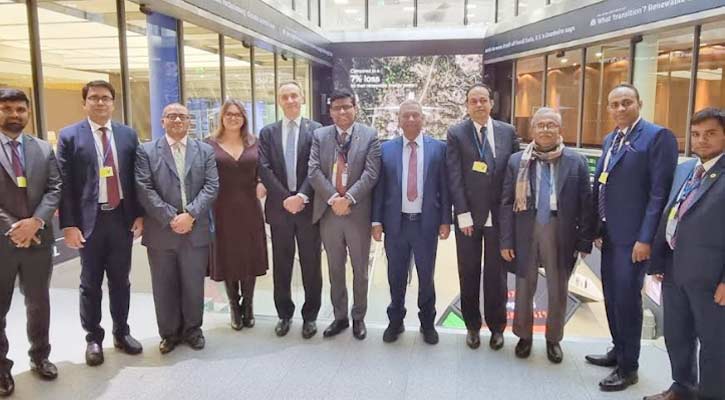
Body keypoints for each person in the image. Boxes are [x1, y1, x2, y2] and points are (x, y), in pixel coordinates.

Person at [587, 83, 678, 392]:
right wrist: (597, 227)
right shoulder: (611, 139)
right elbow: (602, 184)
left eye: (626, 102)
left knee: (627, 300)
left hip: (634, 239)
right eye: (614, 104)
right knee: (612, 297)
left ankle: (629, 368)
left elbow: (659, 194)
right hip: (609, 235)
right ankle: (618, 349)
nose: (620, 108)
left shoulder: (657, 137)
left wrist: (646, 238)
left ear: (640, 103)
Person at [56, 80, 144, 366]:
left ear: (113, 103)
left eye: (105, 98)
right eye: (93, 98)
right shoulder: (70, 136)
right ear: (85, 103)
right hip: (88, 221)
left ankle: (122, 332)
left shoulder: (128, 135)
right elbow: (64, 184)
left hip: (121, 218)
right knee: (90, 283)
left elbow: (137, 179)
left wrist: (139, 214)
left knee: (121, 280)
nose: (100, 102)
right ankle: (93, 338)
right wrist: (69, 224)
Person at [499, 107, 595, 363]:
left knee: (558, 286)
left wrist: (584, 241)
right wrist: (506, 240)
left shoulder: (576, 161)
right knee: (524, 286)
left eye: (551, 125)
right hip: (525, 229)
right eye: (540, 125)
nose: (545, 129)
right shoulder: (516, 161)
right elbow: (506, 203)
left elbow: (586, 205)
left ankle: (554, 339)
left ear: (559, 129)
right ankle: (524, 336)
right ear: (532, 129)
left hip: (559, 230)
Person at [644, 107, 725, 400]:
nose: (702, 140)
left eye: (711, 133)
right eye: (696, 134)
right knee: (677, 335)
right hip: (674, 268)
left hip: (711, 277)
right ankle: (683, 387)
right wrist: (659, 261)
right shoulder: (687, 169)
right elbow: (673, 213)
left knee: (715, 344)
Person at [135, 103, 219, 354]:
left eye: (183, 116)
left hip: (196, 229)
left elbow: (212, 186)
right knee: (164, 285)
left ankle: (193, 330)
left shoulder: (205, 151)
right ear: (162, 121)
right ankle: (169, 334)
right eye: (172, 116)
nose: (178, 121)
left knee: (194, 284)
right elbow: (144, 187)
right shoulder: (146, 151)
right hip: (161, 230)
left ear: (190, 121)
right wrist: (171, 217)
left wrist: (190, 214)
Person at [446, 83, 520, 350]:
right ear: (467, 105)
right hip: (468, 217)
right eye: (473, 101)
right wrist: (462, 213)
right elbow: (454, 176)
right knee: (468, 272)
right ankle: (472, 326)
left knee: (497, 275)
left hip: (500, 217)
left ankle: (497, 327)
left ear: (492, 103)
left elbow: (515, 172)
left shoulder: (507, 131)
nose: (479, 105)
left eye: (483, 100)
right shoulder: (456, 133)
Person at [372, 99, 451, 345]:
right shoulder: (386, 149)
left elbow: (445, 187)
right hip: (396, 225)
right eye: (406, 115)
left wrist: (445, 220)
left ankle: (427, 323)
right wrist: (376, 221)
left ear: (423, 119)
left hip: (426, 225)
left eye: (415, 115)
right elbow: (380, 189)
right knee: (395, 276)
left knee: (426, 277)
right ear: (398, 120)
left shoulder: (438, 149)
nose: (411, 119)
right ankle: (395, 321)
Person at [0, 89, 62, 396]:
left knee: (38, 303)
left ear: (28, 113)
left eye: (20, 109)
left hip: (39, 239)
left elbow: (55, 187)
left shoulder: (42, 148)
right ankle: (1, 369)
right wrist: (14, 227)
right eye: (7, 108)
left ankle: (40, 356)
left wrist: (35, 222)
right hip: (2, 241)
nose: (15, 114)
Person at [308, 88, 381, 340]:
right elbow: (313, 170)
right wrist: (333, 199)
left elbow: (371, 173)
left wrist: (348, 198)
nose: (342, 112)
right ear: (330, 111)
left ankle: (358, 317)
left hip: (357, 213)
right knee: (335, 268)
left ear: (355, 108)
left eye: (346, 107)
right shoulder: (320, 135)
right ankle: (340, 317)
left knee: (360, 270)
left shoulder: (369, 135)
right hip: (329, 214)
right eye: (336, 107)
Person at [259, 81, 322, 338]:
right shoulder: (267, 132)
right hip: (280, 208)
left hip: (308, 208)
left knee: (311, 264)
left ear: (302, 98)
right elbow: (264, 168)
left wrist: (302, 196)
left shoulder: (317, 130)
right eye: (285, 97)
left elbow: (316, 166)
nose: (290, 100)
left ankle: (310, 316)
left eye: (294, 95)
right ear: (279, 101)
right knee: (282, 264)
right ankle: (284, 315)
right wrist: (286, 198)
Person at [206, 99, 268, 331]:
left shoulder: (255, 143)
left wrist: (262, 182)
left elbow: (265, 170)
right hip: (221, 208)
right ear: (222, 117)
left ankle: (248, 305)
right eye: (229, 114)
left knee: (249, 254)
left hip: (249, 207)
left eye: (238, 114)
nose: (233, 118)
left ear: (244, 118)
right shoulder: (209, 144)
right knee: (227, 255)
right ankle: (234, 305)